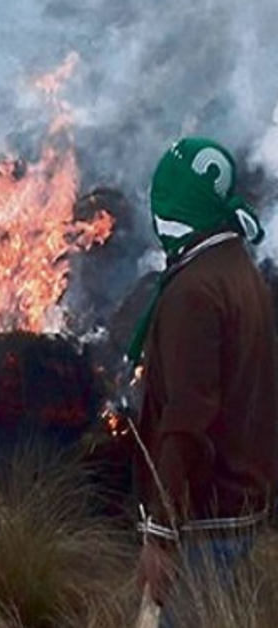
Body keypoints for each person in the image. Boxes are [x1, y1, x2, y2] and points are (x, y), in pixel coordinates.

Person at [128, 138, 277, 624]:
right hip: (240, 506)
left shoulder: (194, 291)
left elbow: (188, 419)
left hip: (204, 522)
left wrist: (161, 534)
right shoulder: (237, 267)